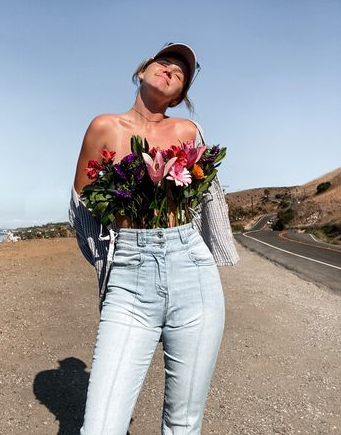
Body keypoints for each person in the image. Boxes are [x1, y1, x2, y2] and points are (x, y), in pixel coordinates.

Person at [71, 43, 239, 435]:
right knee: (100, 427)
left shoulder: (187, 131)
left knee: (182, 424)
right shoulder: (104, 127)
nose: (169, 71)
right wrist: (111, 258)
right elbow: (82, 209)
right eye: (164, 63)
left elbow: (206, 197)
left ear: (179, 96)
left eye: (179, 75)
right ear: (143, 69)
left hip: (193, 274)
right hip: (129, 278)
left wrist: (211, 252)